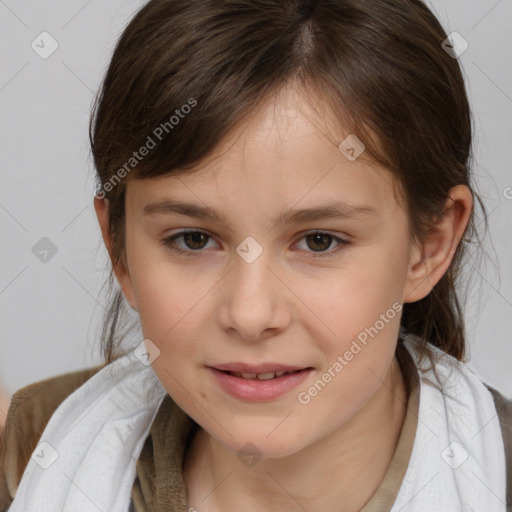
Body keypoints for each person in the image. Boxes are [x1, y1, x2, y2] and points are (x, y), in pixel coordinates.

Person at [1, 0, 511, 511]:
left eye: (319, 241)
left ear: (429, 246)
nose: (250, 315)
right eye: (193, 239)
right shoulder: (32, 452)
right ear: (121, 251)